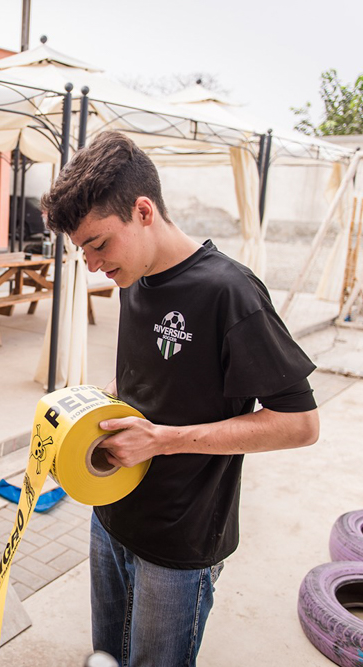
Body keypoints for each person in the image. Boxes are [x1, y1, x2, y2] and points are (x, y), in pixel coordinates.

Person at [41, 131, 320, 666]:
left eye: (99, 243)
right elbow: (147, 380)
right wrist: (84, 423)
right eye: (83, 251)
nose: (94, 265)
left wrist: (163, 441)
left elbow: (300, 423)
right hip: (110, 514)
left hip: (180, 542)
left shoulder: (229, 292)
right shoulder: (135, 278)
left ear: (143, 211)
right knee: (106, 656)